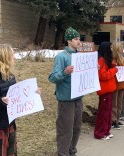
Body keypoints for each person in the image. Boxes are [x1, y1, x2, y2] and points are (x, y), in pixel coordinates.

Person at [0, 44, 41, 155]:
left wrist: (33, 93)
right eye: (12, 55)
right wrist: (1, 101)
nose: (14, 57)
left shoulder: (9, 75)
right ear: (3, 56)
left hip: (9, 124)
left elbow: (16, 96)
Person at [49, 27, 82, 156]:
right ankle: (63, 153)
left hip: (78, 97)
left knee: (77, 128)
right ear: (69, 40)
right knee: (65, 129)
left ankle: (71, 150)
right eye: (76, 39)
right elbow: (52, 77)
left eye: (79, 39)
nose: (79, 41)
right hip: (66, 99)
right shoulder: (61, 57)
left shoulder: (79, 56)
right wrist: (65, 72)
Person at [94, 41, 118, 140]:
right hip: (104, 90)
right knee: (103, 112)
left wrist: (112, 66)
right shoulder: (101, 60)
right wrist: (114, 70)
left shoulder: (105, 59)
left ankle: (106, 130)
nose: (112, 49)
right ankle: (100, 133)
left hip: (108, 89)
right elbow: (103, 75)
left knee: (107, 112)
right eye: (110, 47)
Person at [111, 42, 124, 129]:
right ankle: (113, 121)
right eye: (120, 48)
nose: (122, 50)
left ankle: (117, 119)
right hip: (116, 84)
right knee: (114, 104)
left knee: (119, 103)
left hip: (122, 83)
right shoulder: (113, 59)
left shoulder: (122, 58)